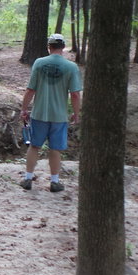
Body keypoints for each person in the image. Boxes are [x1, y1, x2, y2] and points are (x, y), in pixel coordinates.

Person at [19, 34, 82, 192]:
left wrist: (24, 109)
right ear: (63, 47)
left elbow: (30, 89)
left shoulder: (39, 63)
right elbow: (75, 94)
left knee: (34, 146)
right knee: (55, 149)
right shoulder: (71, 67)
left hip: (39, 114)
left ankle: (27, 179)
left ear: (49, 46)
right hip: (59, 116)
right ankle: (54, 182)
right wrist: (76, 113)